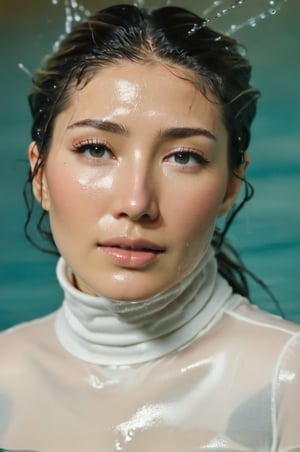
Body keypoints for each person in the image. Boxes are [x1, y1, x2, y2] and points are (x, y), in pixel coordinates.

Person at [0, 4, 299, 451]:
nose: (136, 204)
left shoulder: (286, 383)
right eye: (97, 149)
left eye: (184, 156)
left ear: (231, 187)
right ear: (39, 175)